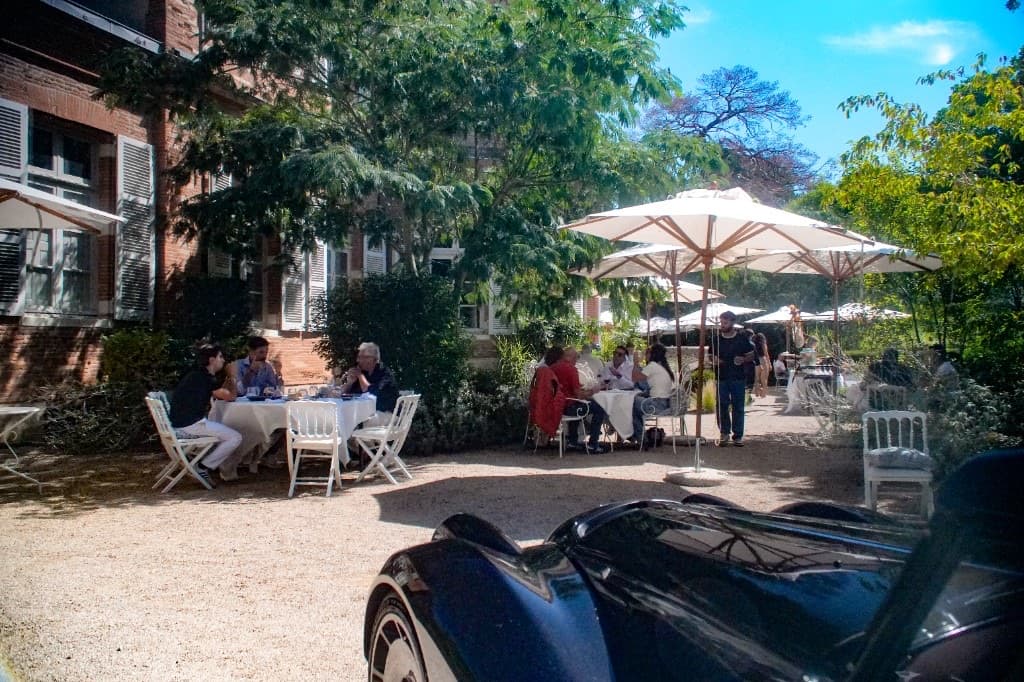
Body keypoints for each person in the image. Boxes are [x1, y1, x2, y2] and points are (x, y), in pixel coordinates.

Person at [169, 344, 244, 484]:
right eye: (220, 357)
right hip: (190, 425)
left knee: (223, 432)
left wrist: (229, 379)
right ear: (211, 360)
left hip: (180, 423)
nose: (223, 360)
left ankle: (204, 464)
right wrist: (233, 375)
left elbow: (224, 393)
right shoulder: (205, 378)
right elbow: (231, 397)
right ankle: (203, 466)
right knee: (235, 437)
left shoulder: (197, 375)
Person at [550, 346, 609, 454]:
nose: (577, 360)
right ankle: (593, 444)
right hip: (568, 407)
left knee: (579, 404)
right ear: (569, 357)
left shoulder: (553, 367)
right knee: (599, 408)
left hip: (556, 406)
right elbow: (579, 395)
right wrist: (593, 391)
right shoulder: (571, 369)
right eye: (576, 357)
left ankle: (573, 441)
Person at [708, 310, 755, 447]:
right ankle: (724, 433)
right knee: (721, 405)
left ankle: (738, 435)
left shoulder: (741, 339)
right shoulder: (716, 339)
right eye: (721, 322)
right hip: (721, 377)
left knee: (738, 406)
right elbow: (710, 355)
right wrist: (714, 360)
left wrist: (743, 359)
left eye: (725, 322)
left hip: (737, 377)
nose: (722, 325)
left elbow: (752, 355)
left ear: (732, 323)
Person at [340, 341, 400, 426]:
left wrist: (360, 375)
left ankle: (353, 438)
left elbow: (371, 393)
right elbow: (346, 394)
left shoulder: (385, 374)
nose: (358, 360)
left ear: (374, 359)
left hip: (387, 414)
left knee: (355, 421)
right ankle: (347, 438)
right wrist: (350, 383)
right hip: (368, 412)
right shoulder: (364, 373)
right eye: (359, 357)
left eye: (363, 357)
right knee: (342, 417)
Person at [630, 343, 674, 443]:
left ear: (652, 354)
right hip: (665, 403)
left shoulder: (652, 366)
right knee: (635, 406)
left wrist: (636, 363)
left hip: (657, 404)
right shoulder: (663, 367)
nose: (645, 355)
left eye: (647, 353)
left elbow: (634, 378)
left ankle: (641, 438)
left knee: (631, 403)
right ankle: (640, 437)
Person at [753, 332, 771, 398]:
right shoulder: (763, 344)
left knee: (757, 377)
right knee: (764, 378)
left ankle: (757, 393)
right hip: (763, 360)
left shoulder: (754, 344)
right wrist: (769, 363)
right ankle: (763, 394)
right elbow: (766, 353)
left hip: (756, 360)